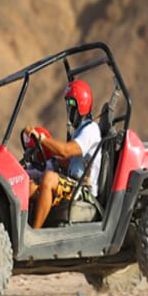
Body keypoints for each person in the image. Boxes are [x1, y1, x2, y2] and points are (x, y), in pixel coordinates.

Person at [24, 79, 102, 229]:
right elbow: (70, 162)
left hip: (85, 191)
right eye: (68, 106)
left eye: (72, 106)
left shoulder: (90, 130)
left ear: (82, 106)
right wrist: (48, 164)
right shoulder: (80, 131)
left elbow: (65, 150)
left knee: (49, 179)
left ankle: (35, 234)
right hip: (74, 183)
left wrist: (42, 139)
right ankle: (18, 231)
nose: (69, 111)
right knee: (30, 184)